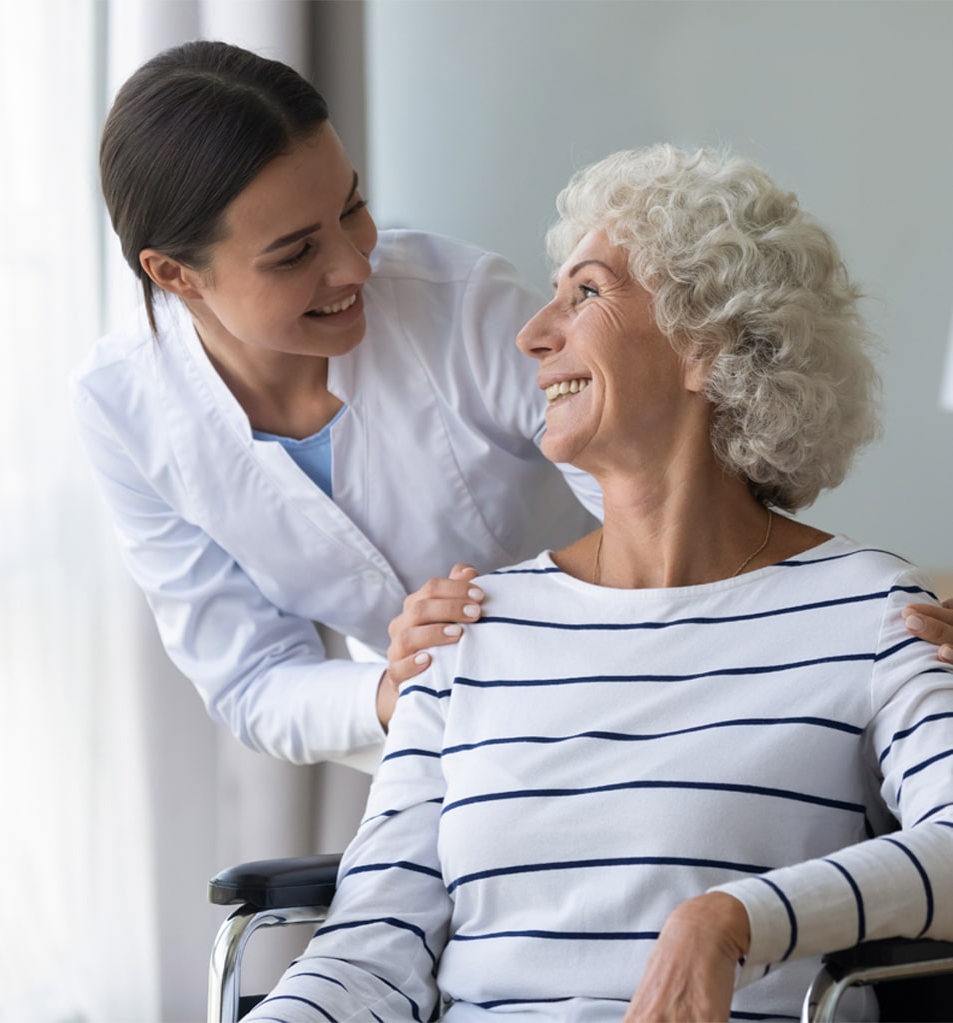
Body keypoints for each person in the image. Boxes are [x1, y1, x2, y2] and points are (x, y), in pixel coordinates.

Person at [72, 40, 953, 771]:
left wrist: (849, 621)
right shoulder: (125, 411)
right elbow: (254, 680)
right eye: (297, 252)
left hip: (643, 688)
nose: (353, 267)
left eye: (354, 210)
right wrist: (394, 683)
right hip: (441, 754)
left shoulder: (459, 305)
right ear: (175, 273)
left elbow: (659, 502)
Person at [242, 145, 953, 1022]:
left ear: (709, 341)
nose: (535, 333)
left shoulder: (871, 612)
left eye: (586, 292)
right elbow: (370, 950)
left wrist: (731, 919)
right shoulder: (472, 630)